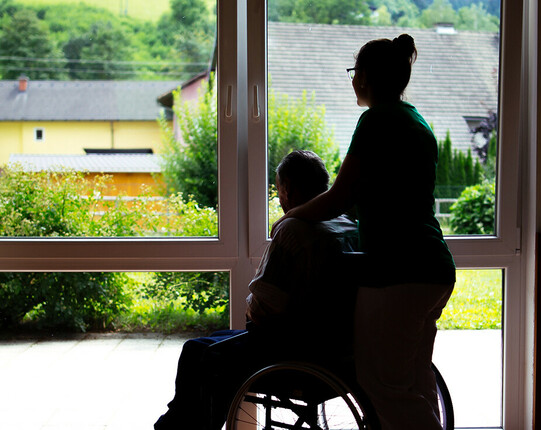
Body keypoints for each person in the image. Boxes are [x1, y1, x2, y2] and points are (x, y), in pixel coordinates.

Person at [274, 34, 456, 430]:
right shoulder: (415, 120)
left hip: (397, 272)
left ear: (365, 78)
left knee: (384, 387)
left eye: (355, 72)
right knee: (415, 383)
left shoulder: (376, 120)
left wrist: (288, 218)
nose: (352, 80)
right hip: (433, 267)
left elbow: (339, 197)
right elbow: (367, 199)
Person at [154, 150, 360, 430]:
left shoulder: (294, 229)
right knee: (214, 341)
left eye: (279, 190)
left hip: (292, 352)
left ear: (287, 189)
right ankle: (185, 423)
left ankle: (178, 426)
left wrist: (251, 306)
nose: (280, 198)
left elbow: (263, 309)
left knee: (198, 351)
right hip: (339, 351)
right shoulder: (348, 225)